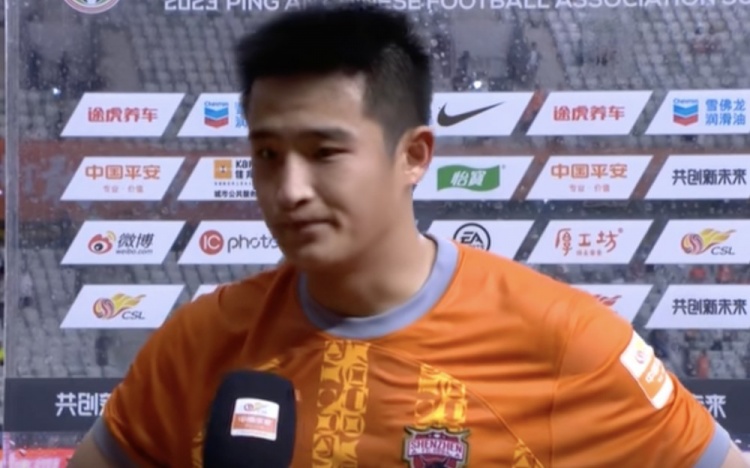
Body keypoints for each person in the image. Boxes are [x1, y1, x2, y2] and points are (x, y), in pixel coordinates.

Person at [70, 5, 748, 467]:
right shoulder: (198, 345)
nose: (290, 189)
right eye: (268, 154)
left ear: (414, 155)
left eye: (325, 152)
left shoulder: (565, 341)